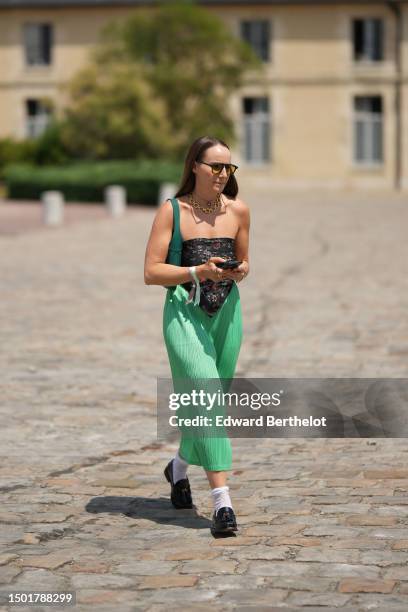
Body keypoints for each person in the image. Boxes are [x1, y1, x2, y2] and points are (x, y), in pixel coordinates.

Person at [144, 135, 250, 535]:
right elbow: (151, 271)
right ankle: (223, 504)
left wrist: (237, 271)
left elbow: (247, 264)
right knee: (205, 396)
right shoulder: (172, 211)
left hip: (227, 313)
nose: (223, 174)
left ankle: (178, 468)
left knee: (206, 403)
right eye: (215, 167)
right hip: (184, 313)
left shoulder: (239, 211)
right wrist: (196, 271)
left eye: (228, 168)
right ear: (194, 166)